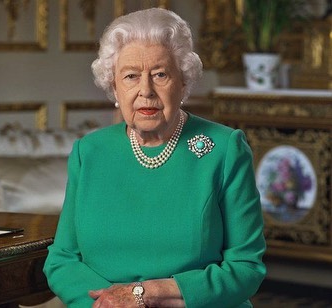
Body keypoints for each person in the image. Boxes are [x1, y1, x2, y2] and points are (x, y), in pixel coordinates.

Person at [43, 8, 266, 308]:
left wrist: (145, 295)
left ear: (183, 82)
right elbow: (62, 260)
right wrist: (108, 304)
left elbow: (246, 267)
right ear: (114, 86)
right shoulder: (89, 153)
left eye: (160, 74)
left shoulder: (225, 149)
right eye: (131, 76)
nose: (145, 91)